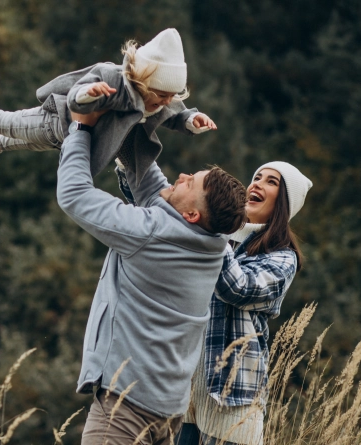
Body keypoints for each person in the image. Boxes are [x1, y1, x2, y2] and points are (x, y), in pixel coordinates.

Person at [57, 109, 247, 445]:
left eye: (192, 183)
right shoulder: (212, 244)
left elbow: (73, 195)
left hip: (124, 410)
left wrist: (80, 126)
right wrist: (136, 107)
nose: (184, 175)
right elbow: (145, 175)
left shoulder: (153, 232)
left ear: (191, 214)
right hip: (166, 411)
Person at [118, 161, 312, 444]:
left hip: (232, 402)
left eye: (271, 182)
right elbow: (163, 210)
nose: (256, 183)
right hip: (183, 395)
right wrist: (131, 159)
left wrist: (216, 228)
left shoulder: (281, 257)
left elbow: (238, 288)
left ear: (284, 204)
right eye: (256, 177)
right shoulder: (214, 238)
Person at [0, 28, 216, 181]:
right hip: (59, 120)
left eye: (172, 95)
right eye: (162, 94)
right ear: (145, 79)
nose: (166, 101)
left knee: (34, 144)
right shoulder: (114, 79)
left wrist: (191, 120)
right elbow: (78, 95)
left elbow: (173, 112)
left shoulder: (160, 100)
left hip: (75, 139)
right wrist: (89, 94)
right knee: (6, 121)